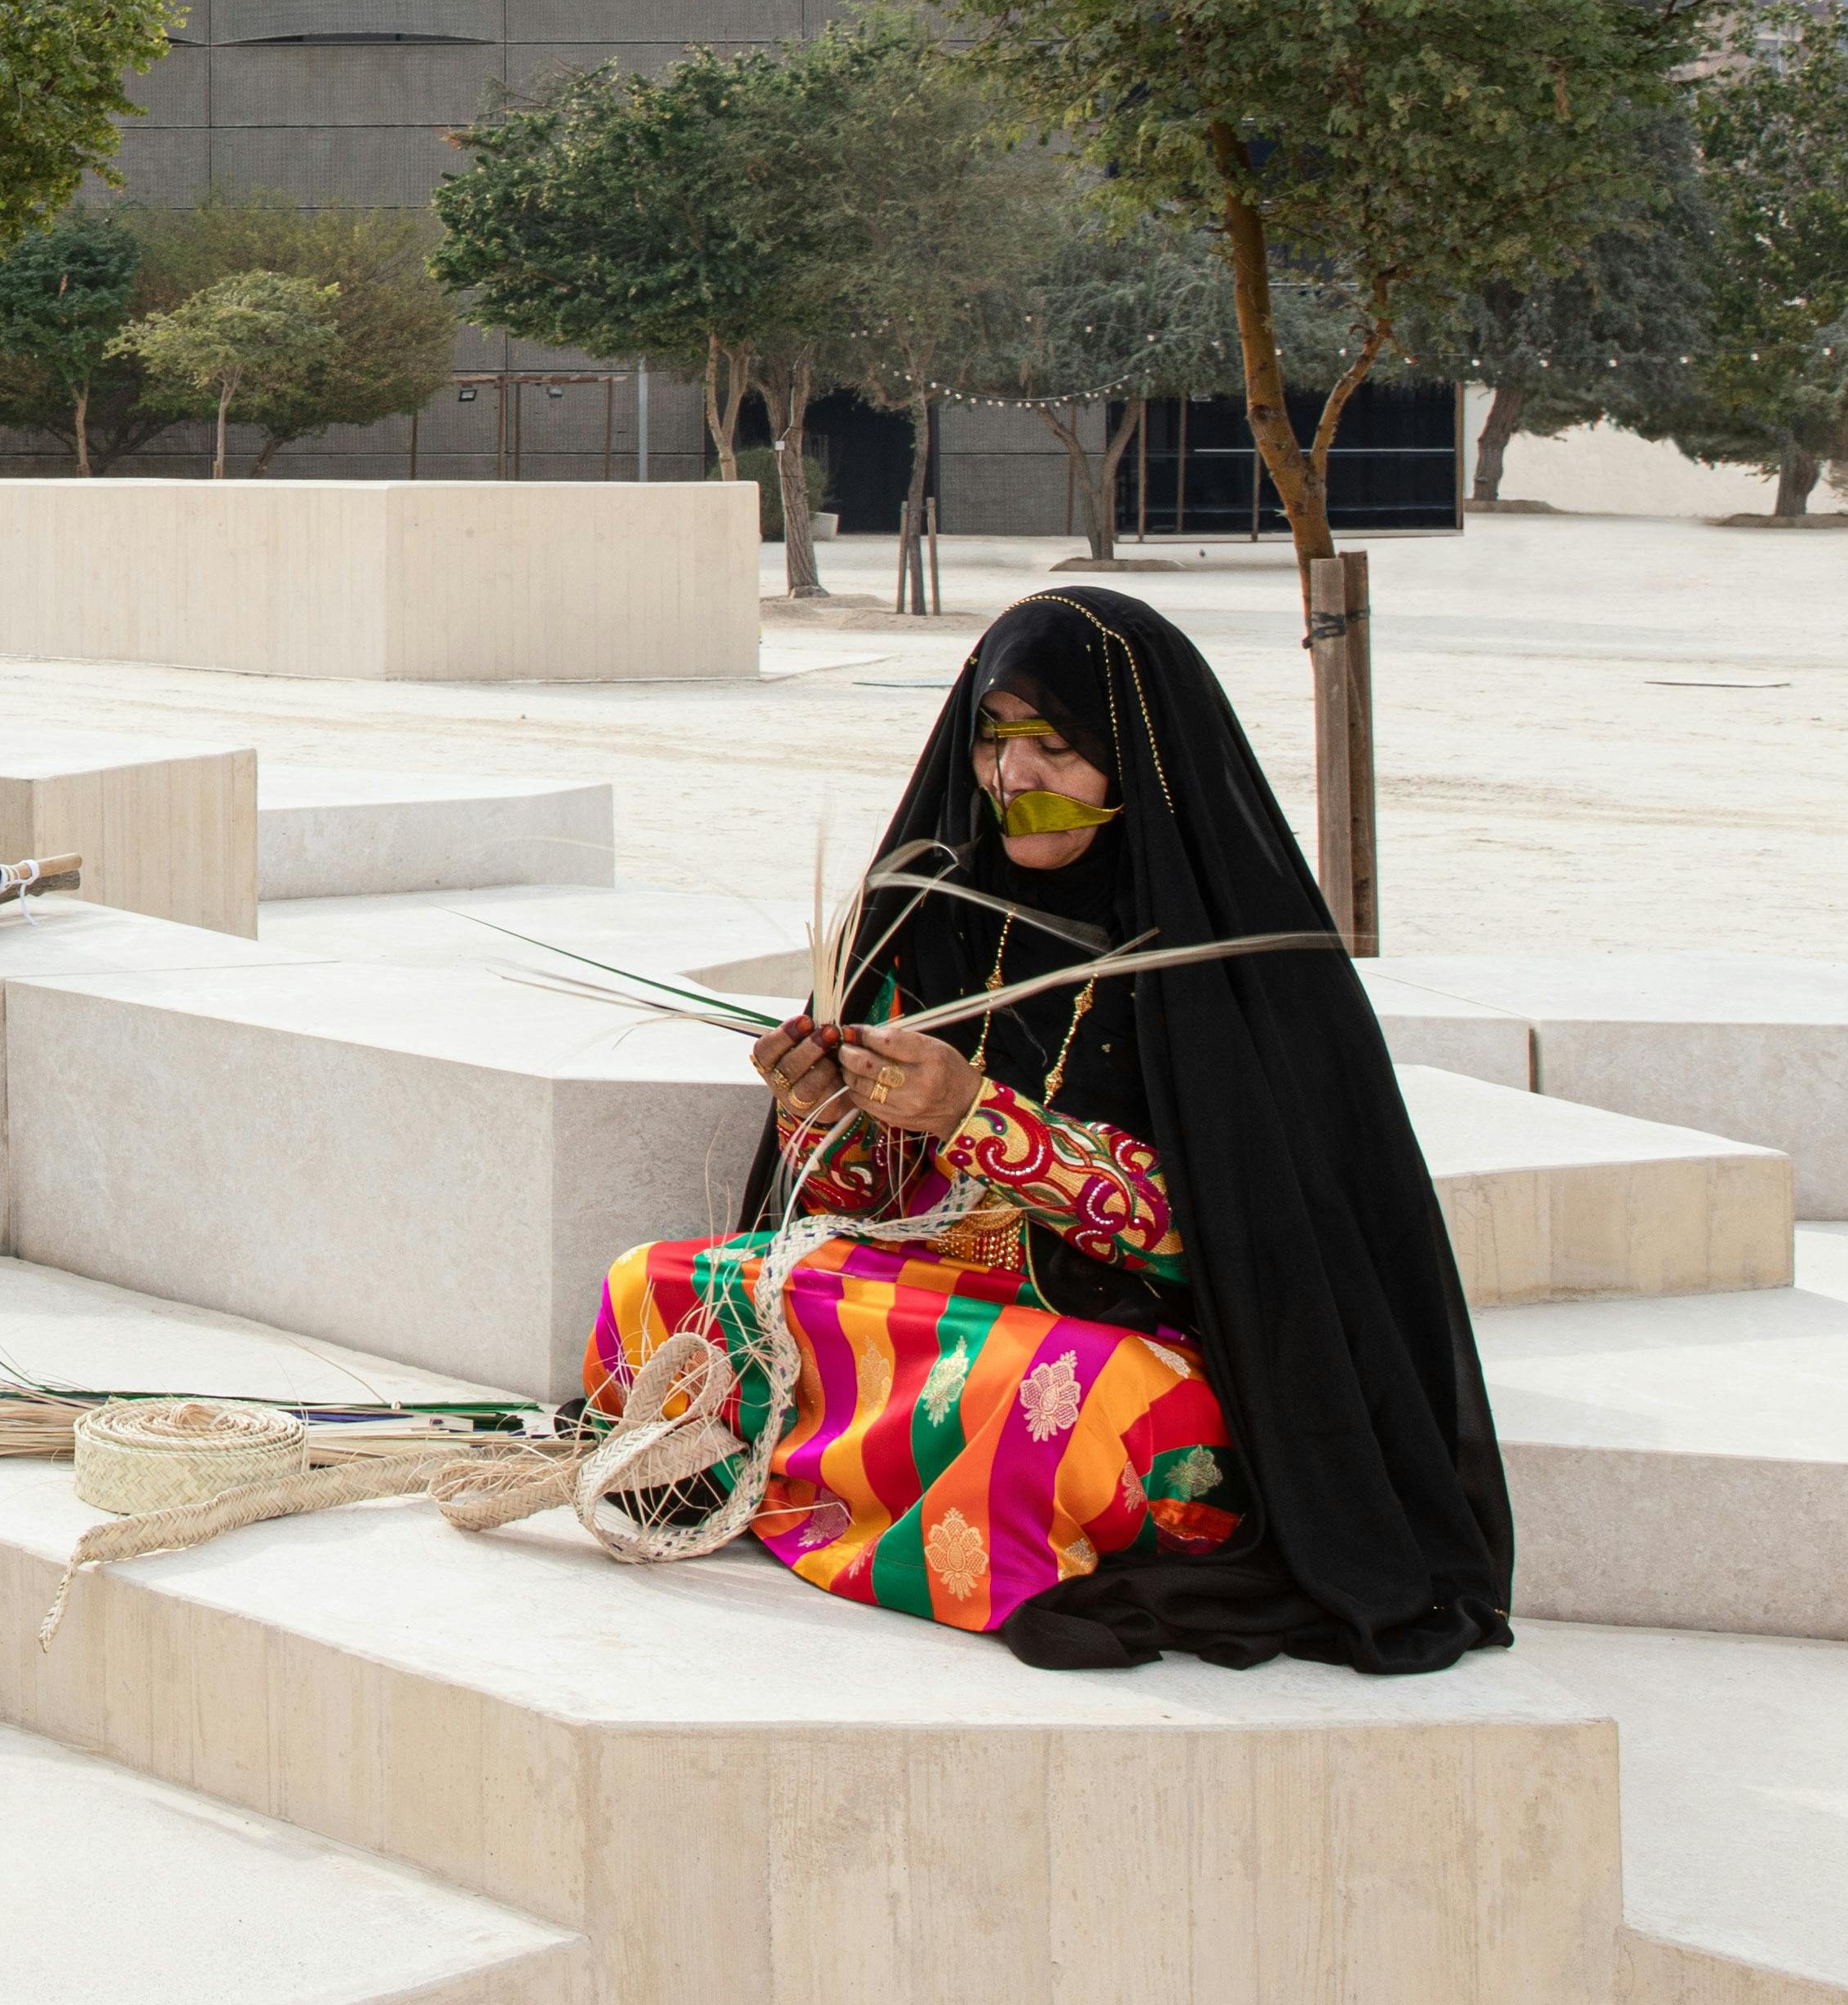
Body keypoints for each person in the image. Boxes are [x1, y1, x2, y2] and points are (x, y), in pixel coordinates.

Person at [584, 583, 1513, 1671]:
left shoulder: (1231, 962)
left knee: (1069, 1407)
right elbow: (867, 1206)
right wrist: (822, 1114)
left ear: (1138, 760)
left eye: (1055, 748)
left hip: (1131, 1338)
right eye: (993, 741)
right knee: (655, 1284)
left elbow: (1223, 1236)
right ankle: (885, 1491)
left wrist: (982, 1119)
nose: (1013, 781)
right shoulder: (932, 916)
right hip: (934, 1305)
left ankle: (819, 1475)